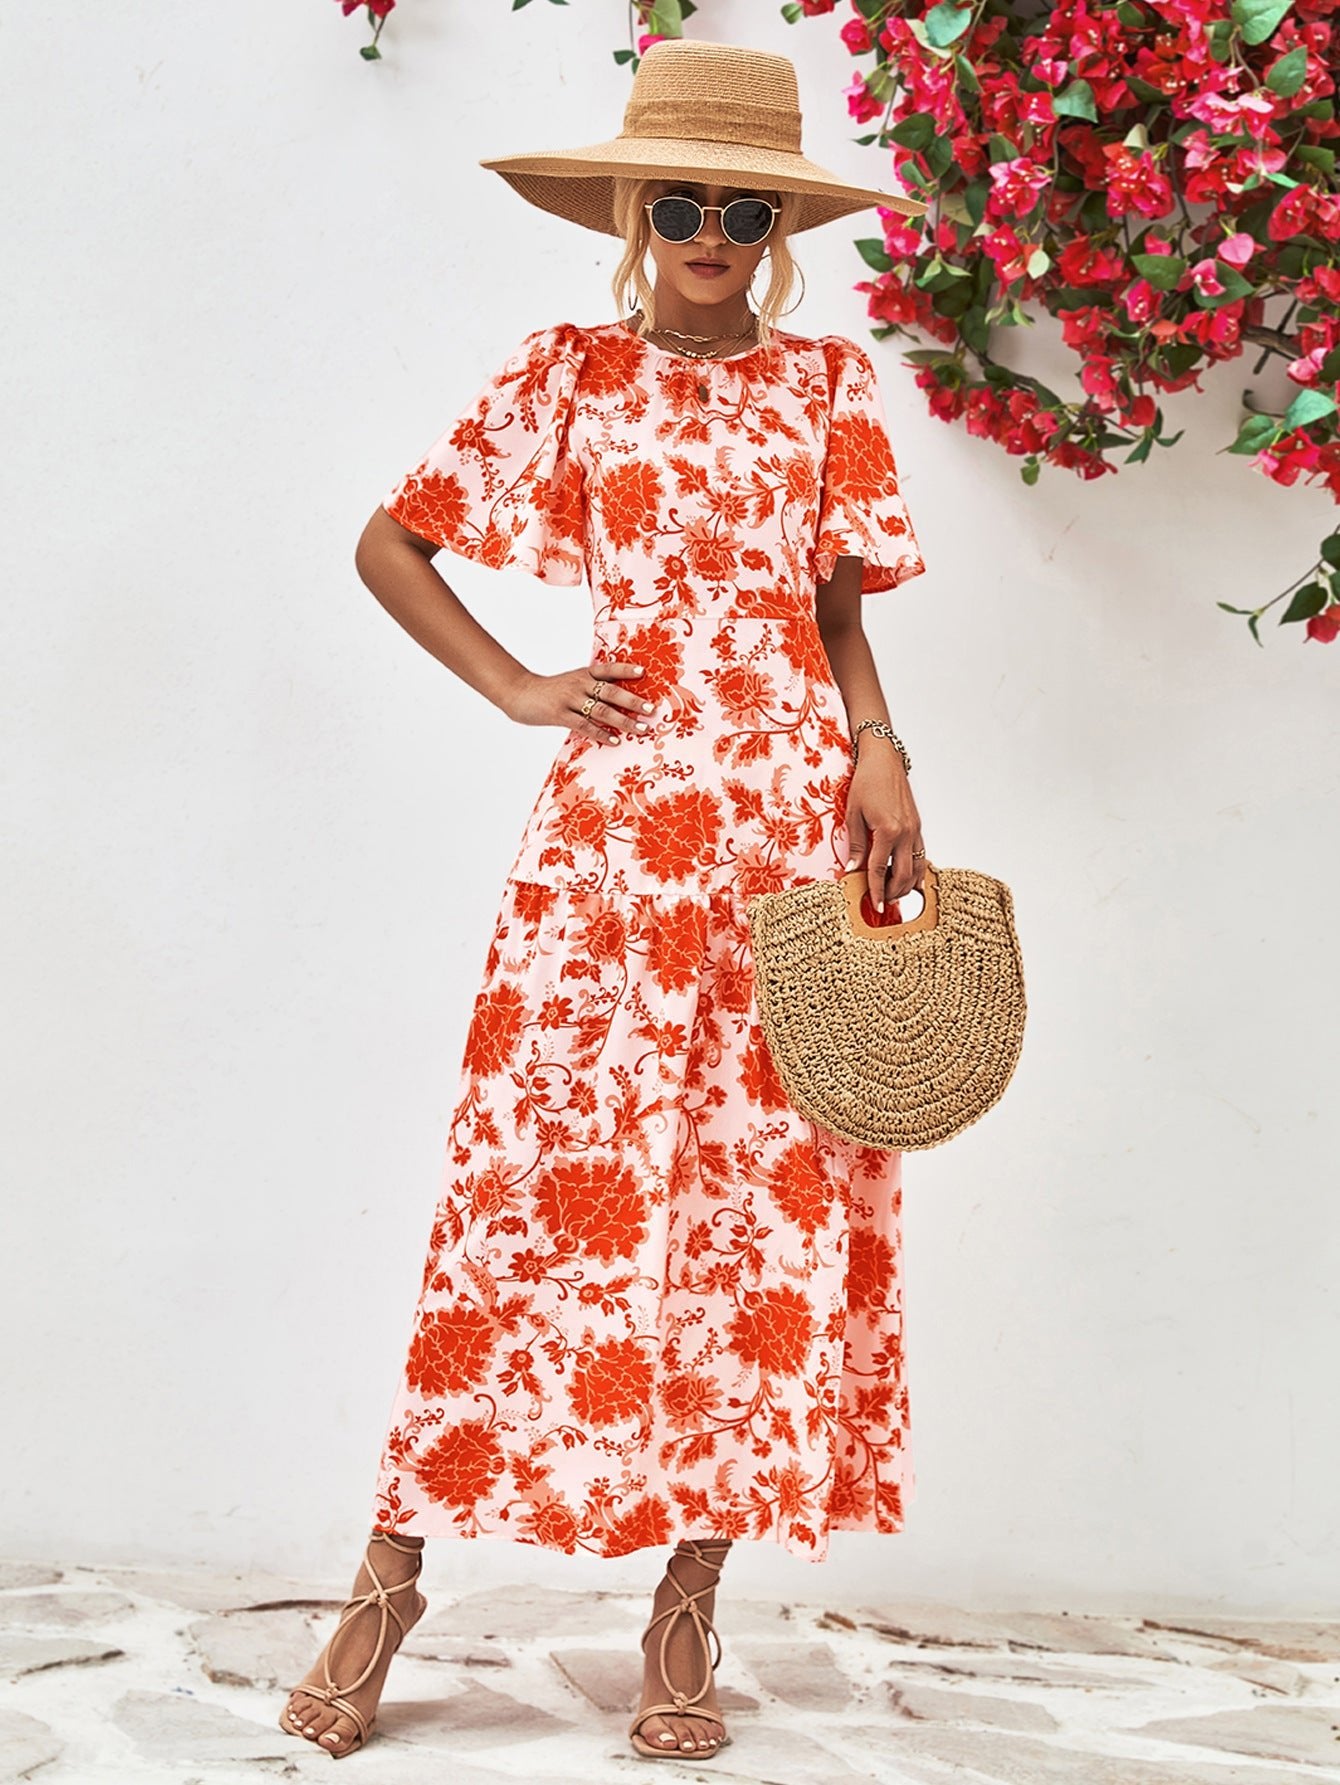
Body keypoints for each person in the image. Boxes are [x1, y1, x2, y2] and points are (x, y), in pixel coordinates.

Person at [280, 36, 929, 1764]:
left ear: (780, 230)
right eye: (681, 201)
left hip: (785, 832)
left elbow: (838, 614)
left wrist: (880, 752)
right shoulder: (567, 373)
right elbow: (393, 540)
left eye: (744, 209)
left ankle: (688, 1603)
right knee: (525, 1192)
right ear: (636, 211)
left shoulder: (828, 387)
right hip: (614, 846)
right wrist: (516, 683)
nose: (710, 233)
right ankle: (389, 1575)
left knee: (752, 1214)